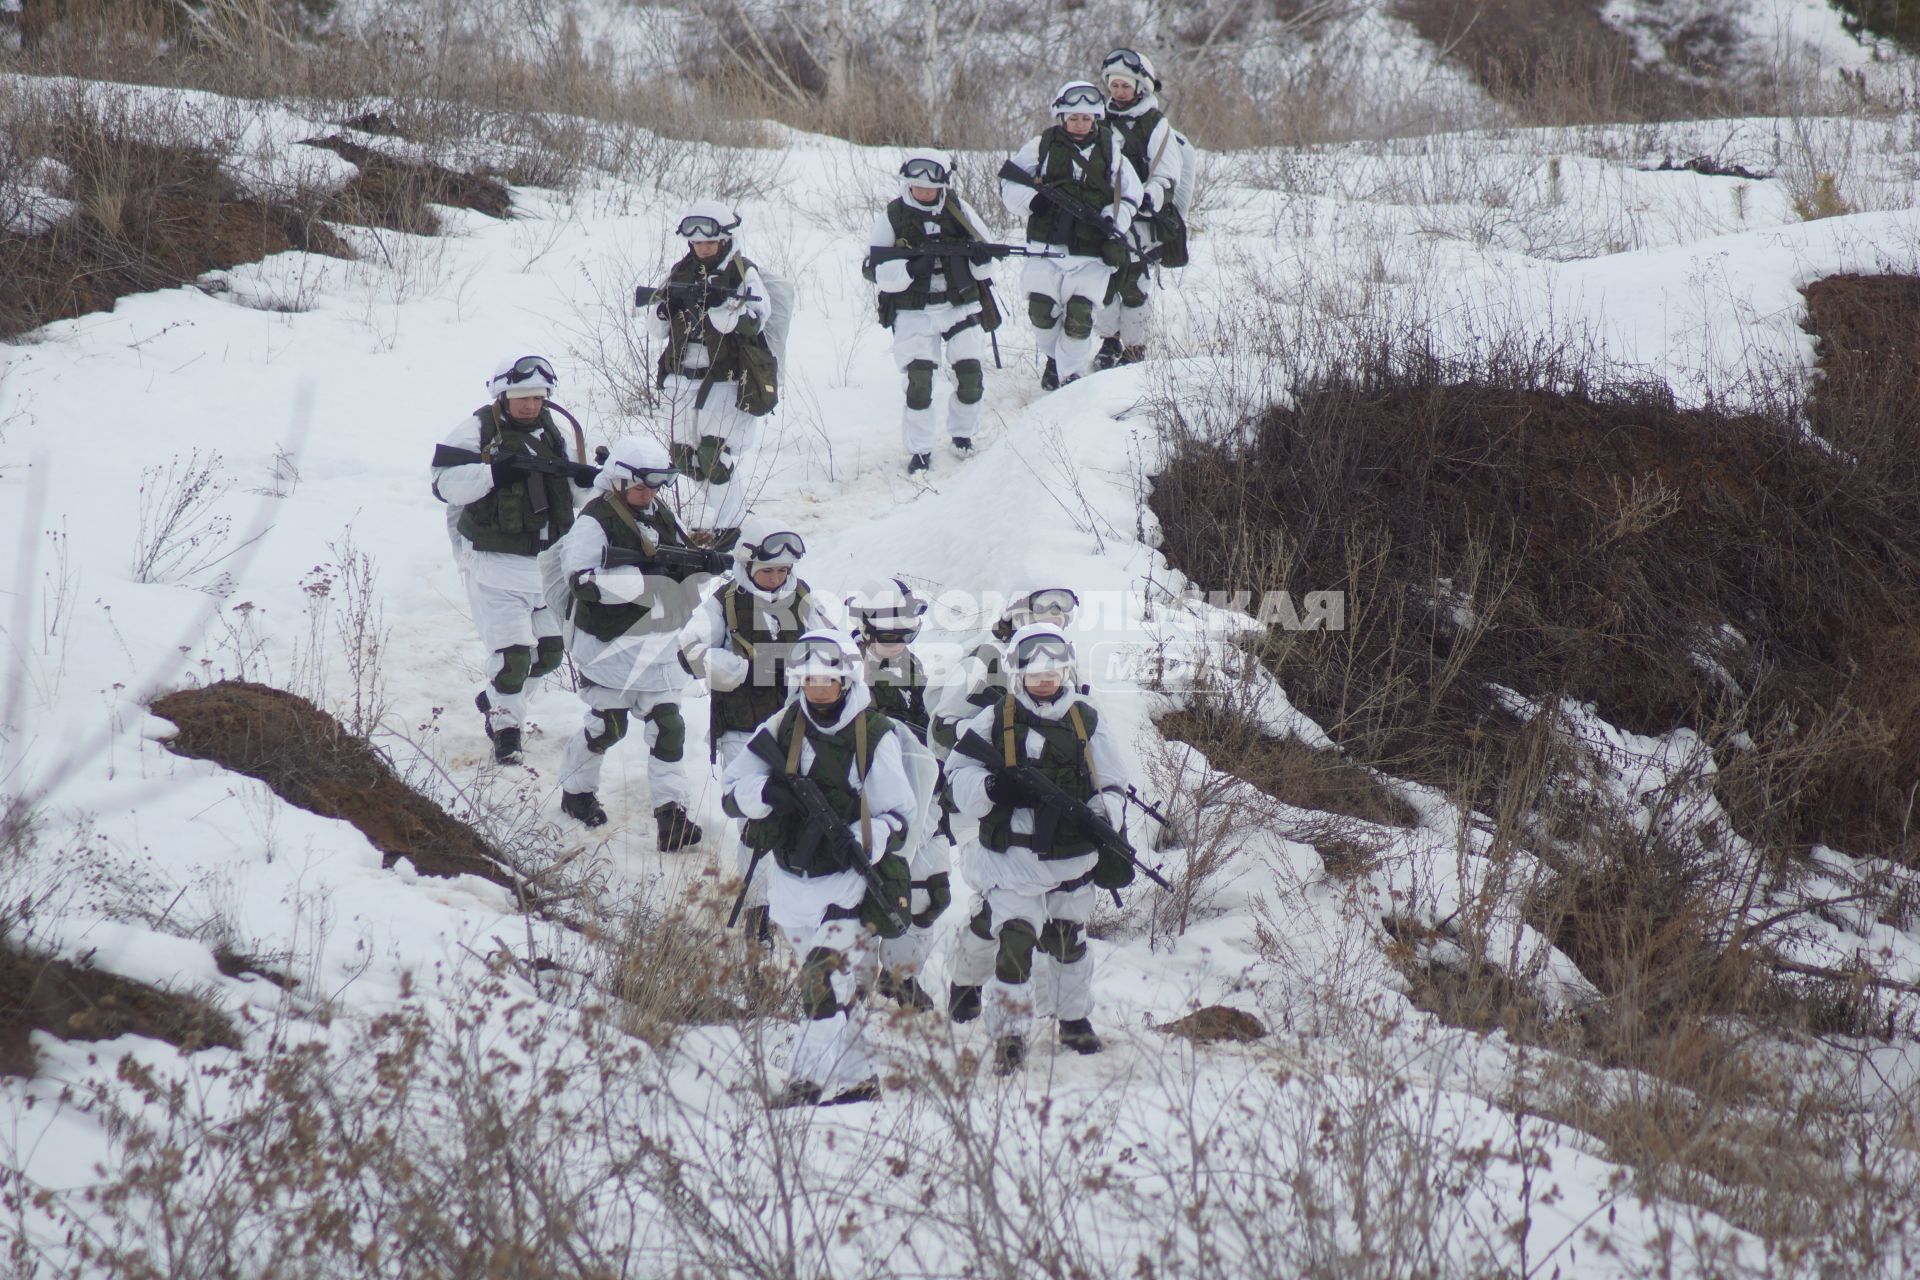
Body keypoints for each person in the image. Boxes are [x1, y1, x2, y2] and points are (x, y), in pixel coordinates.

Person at [721, 630, 923, 1106]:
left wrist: (860, 840)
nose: (818, 689)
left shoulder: (874, 734)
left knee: (819, 979)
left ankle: (804, 1082)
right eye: (809, 679)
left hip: (848, 882)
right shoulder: (782, 727)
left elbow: (900, 815)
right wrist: (768, 794)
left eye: (827, 680)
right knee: (831, 991)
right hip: (792, 883)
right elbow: (733, 791)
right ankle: (858, 1080)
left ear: (846, 680)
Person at [943, 624, 1131, 1074]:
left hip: (1071, 857)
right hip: (1012, 859)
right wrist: (992, 786)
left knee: (1067, 940)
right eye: (1035, 673)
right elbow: (955, 777)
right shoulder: (996, 718)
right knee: (1015, 944)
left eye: (1053, 672)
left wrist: (1102, 817)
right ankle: (1008, 1034)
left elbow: (1111, 782)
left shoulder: (1086, 718)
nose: (1045, 681)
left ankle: (1073, 1020)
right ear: (1019, 673)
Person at [554, 435, 730, 840]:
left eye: (653, 487)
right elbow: (582, 581)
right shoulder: (595, 520)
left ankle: (673, 816)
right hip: (608, 646)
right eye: (639, 486)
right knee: (606, 728)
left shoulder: (660, 513)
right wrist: (644, 585)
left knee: (668, 729)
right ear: (617, 480)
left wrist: (700, 569)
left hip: (660, 644)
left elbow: (682, 562)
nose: (647, 493)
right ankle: (576, 793)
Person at [678, 522, 838, 938]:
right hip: (743, 730)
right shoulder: (725, 602)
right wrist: (741, 669)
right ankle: (758, 910)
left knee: (804, 814)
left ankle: (796, 903)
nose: (777, 578)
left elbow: (838, 648)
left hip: (798, 728)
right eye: (769, 571)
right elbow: (690, 650)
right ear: (747, 565)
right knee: (756, 814)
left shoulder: (804, 599)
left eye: (784, 570)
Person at [430, 354, 590, 764]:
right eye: (521, 396)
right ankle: (506, 730)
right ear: (502, 394)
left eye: (538, 397)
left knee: (550, 654)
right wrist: (492, 475)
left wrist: (590, 479)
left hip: (547, 571)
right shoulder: (477, 430)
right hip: (496, 568)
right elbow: (443, 483)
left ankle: (497, 699)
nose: (531, 405)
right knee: (513, 659)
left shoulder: (558, 433)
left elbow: (577, 492)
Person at [847, 579, 952, 1011]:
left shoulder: (915, 667)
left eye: (905, 635)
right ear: (867, 630)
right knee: (863, 892)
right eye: (889, 636)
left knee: (930, 893)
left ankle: (901, 976)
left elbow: (930, 729)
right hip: (868, 800)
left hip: (924, 793)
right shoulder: (846, 669)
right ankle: (852, 982)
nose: (898, 644)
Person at [645, 200, 775, 548]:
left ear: (724, 240)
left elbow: (757, 318)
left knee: (714, 458)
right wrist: (665, 309)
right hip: (682, 378)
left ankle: (730, 532)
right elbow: (657, 327)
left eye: (710, 242)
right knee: (685, 459)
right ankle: (723, 521)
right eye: (697, 243)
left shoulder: (743, 272)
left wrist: (726, 310)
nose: (703, 248)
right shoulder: (680, 272)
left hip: (725, 381)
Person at [1000, 81, 1143, 390]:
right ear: (1062, 116)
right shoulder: (1041, 145)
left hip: (1090, 250)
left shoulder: (1111, 149)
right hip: (1044, 246)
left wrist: (1112, 218)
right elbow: (1008, 184)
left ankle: (1069, 378)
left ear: (1096, 119)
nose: (1080, 124)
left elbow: (1131, 194)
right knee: (1040, 311)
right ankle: (1055, 360)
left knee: (1079, 317)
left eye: (1087, 118)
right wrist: (1031, 201)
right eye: (1074, 117)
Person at [863, 149, 997, 475]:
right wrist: (910, 267)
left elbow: (988, 253)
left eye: (931, 187)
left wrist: (979, 260)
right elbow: (872, 267)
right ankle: (920, 451)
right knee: (919, 383)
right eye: (917, 186)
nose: (924, 192)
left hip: (960, 304)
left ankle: (963, 435)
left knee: (970, 375)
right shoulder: (894, 215)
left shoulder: (959, 210)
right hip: (913, 311)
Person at [1095, 47, 1188, 369]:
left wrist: (1149, 197)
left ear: (1140, 87)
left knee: (1133, 284)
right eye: (1114, 85)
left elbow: (1166, 171)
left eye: (1125, 85)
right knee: (1104, 280)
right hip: (1103, 216)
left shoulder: (1154, 124)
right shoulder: (1096, 118)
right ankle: (1108, 342)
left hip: (1141, 220)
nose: (1119, 91)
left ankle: (1135, 348)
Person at [930, 585, 1082, 751]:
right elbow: (941, 728)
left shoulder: (1067, 663)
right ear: (1017, 615)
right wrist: (995, 735)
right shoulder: (987, 658)